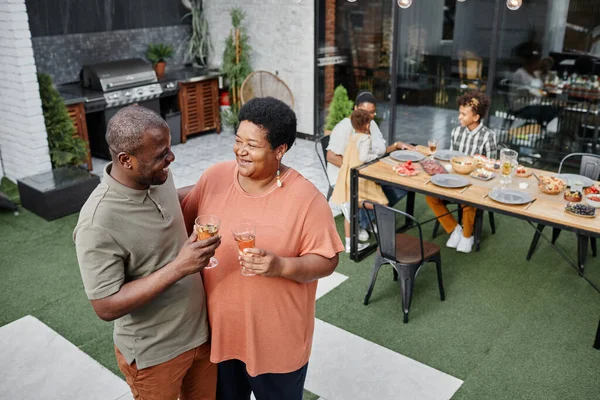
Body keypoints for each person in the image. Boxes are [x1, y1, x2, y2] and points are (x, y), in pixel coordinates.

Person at [180, 97, 343, 400]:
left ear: (279, 150)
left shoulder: (306, 199)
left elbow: (327, 260)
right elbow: (182, 218)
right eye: (238, 140)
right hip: (220, 335)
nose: (240, 151)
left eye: (252, 145)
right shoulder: (215, 177)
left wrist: (280, 266)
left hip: (276, 343)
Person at [73, 105, 221, 400]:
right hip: (155, 357)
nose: (171, 158)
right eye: (161, 154)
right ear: (126, 160)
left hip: (202, 336)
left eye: (168, 148)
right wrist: (180, 267)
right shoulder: (97, 223)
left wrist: (217, 187)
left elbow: (171, 202)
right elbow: (105, 306)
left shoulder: (156, 176)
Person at [326, 91, 414, 240]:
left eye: (372, 112)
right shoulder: (345, 127)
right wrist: (358, 171)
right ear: (355, 109)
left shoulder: (370, 124)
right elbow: (331, 156)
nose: (370, 115)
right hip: (347, 177)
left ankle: (367, 218)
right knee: (382, 190)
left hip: (369, 172)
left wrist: (396, 145)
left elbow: (379, 151)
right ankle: (364, 220)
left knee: (403, 184)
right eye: (365, 111)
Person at [426, 92, 497, 253]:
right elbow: (451, 158)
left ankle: (467, 236)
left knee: (468, 201)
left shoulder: (488, 136)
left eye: (464, 114)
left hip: (475, 182)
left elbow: (491, 167)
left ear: (476, 117)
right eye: (460, 113)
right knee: (430, 196)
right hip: (454, 179)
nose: (459, 117)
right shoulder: (456, 132)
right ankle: (454, 229)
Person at [331, 109, 388, 253]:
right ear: (367, 125)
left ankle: (350, 245)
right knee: (382, 203)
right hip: (359, 181)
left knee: (350, 212)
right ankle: (384, 239)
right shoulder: (365, 139)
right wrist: (374, 155)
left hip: (346, 177)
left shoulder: (352, 136)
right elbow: (363, 158)